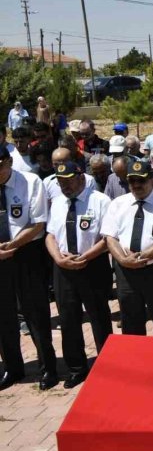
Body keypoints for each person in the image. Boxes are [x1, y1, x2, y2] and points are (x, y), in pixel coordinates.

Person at [44, 161, 113, 388]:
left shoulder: (100, 201)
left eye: (69, 181)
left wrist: (86, 257)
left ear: (81, 178)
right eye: (61, 182)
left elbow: (108, 238)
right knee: (68, 319)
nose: (65, 186)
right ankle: (76, 368)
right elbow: (50, 236)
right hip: (63, 267)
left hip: (92, 266)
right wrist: (58, 258)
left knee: (99, 317)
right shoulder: (57, 203)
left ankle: (108, 365)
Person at [101, 159, 153, 337]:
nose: (136, 185)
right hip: (126, 272)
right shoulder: (118, 204)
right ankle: (135, 364)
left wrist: (141, 257)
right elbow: (110, 237)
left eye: (141, 180)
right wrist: (123, 259)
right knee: (131, 324)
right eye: (132, 181)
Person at [0, 146, 57, 390]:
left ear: (8, 162)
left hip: (26, 253)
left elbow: (38, 224)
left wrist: (12, 244)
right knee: (3, 315)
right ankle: (13, 368)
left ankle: (48, 368)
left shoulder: (30, 182)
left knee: (35, 313)